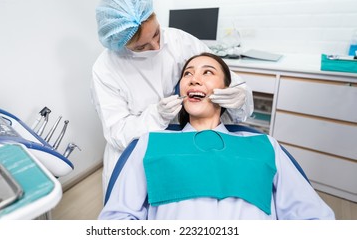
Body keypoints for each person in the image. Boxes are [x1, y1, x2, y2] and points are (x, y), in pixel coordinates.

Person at [98, 52, 335, 220]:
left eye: (207, 72)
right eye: (187, 74)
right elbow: (118, 219)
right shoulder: (151, 144)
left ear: (227, 89)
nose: (194, 78)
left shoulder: (264, 146)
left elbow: (313, 218)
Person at [91, 0, 254, 195]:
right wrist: (156, 117)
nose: (157, 46)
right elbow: (118, 133)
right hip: (136, 158)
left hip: (190, 152)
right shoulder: (105, 69)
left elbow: (223, 76)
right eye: (142, 47)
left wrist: (240, 96)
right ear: (121, 44)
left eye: (157, 34)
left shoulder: (181, 41)